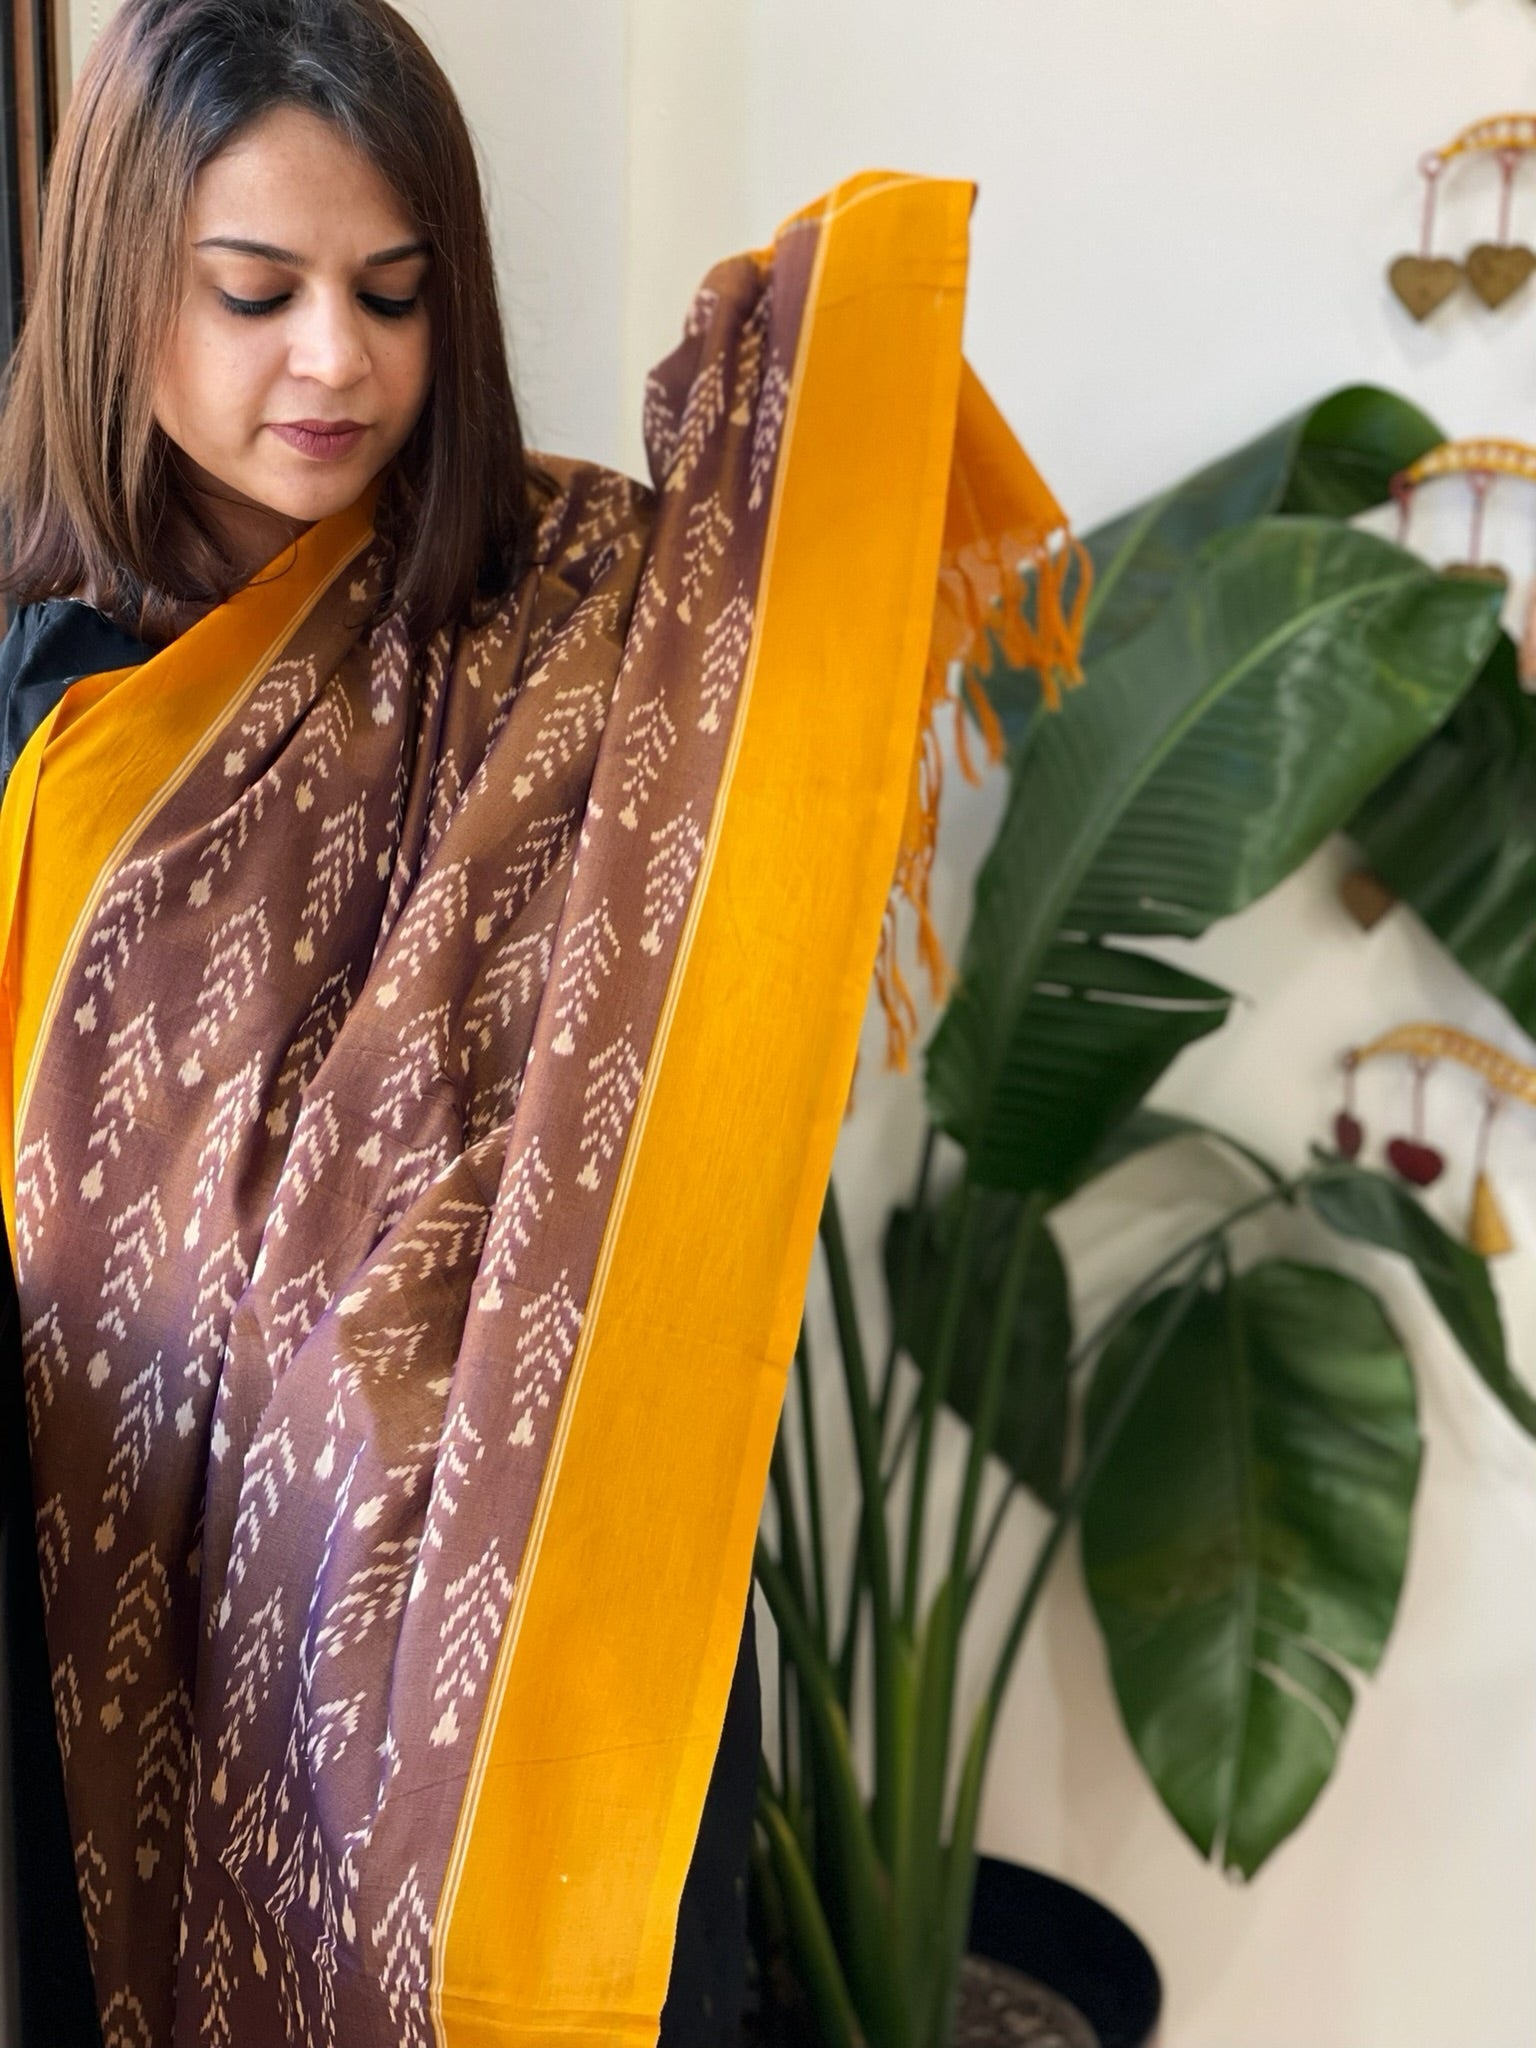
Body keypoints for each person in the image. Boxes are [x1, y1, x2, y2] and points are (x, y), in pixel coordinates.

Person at [0, 2, 1079, 2042]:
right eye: (256, 292)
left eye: (394, 296)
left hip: (557, 1571)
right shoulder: (48, 709)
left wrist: (811, 364)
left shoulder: (572, 600)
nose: (333, 358)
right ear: (113, 279)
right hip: (127, 1587)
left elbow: (773, 722)